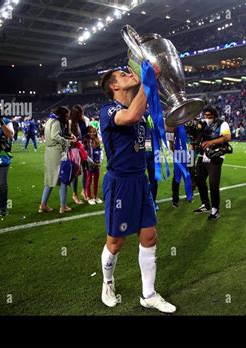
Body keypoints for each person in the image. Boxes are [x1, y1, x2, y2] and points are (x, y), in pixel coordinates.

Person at [99, 67, 176, 313]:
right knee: (116, 242)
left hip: (140, 180)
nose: (128, 74)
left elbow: (158, 124)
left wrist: (180, 116)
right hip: (119, 183)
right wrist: (146, 82)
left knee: (150, 236)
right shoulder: (109, 110)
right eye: (123, 75)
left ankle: (149, 294)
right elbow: (130, 117)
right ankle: (107, 283)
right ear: (114, 87)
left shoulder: (140, 112)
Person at [193, 105, 231, 220]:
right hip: (202, 155)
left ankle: (215, 210)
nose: (207, 118)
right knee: (199, 180)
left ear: (214, 115)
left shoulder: (222, 124)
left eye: (209, 116)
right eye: (205, 116)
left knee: (213, 184)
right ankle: (206, 204)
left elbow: (227, 137)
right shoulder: (203, 124)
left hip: (216, 155)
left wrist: (211, 142)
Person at [39, 106, 77, 214]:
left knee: (50, 180)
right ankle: (63, 206)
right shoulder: (55, 122)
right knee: (63, 178)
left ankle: (43, 205)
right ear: (61, 114)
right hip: (56, 152)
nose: (66, 117)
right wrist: (67, 142)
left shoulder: (49, 120)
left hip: (49, 152)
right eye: (65, 115)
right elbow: (55, 136)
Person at [69, 104, 89, 204]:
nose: (82, 114)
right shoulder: (70, 123)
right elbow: (68, 139)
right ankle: (74, 194)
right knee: (76, 173)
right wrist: (76, 141)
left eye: (82, 112)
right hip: (74, 150)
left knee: (86, 170)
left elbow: (86, 134)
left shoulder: (83, 120)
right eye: (80, 113)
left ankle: (84, 191)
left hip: (84, 148)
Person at [83, 126, 103, 205]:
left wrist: (100, 161)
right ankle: (88, 197)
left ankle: (95, 196)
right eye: (90, 132)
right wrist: (91, 162)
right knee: (89, 180)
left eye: (93, 132)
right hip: (89, 164)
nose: (92, 133)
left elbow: (100, 151)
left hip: (97, 163)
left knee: (96, 180)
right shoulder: (86, 141)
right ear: (88, 132)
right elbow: (85, 154)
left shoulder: (97, 141)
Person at [145, 114, 159, 211]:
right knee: (139, 180)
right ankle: (146, 201)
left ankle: (153, 201)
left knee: (154, 179)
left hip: (153, 154)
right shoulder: (138, 116)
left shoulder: (154, 116)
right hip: (140, 154)